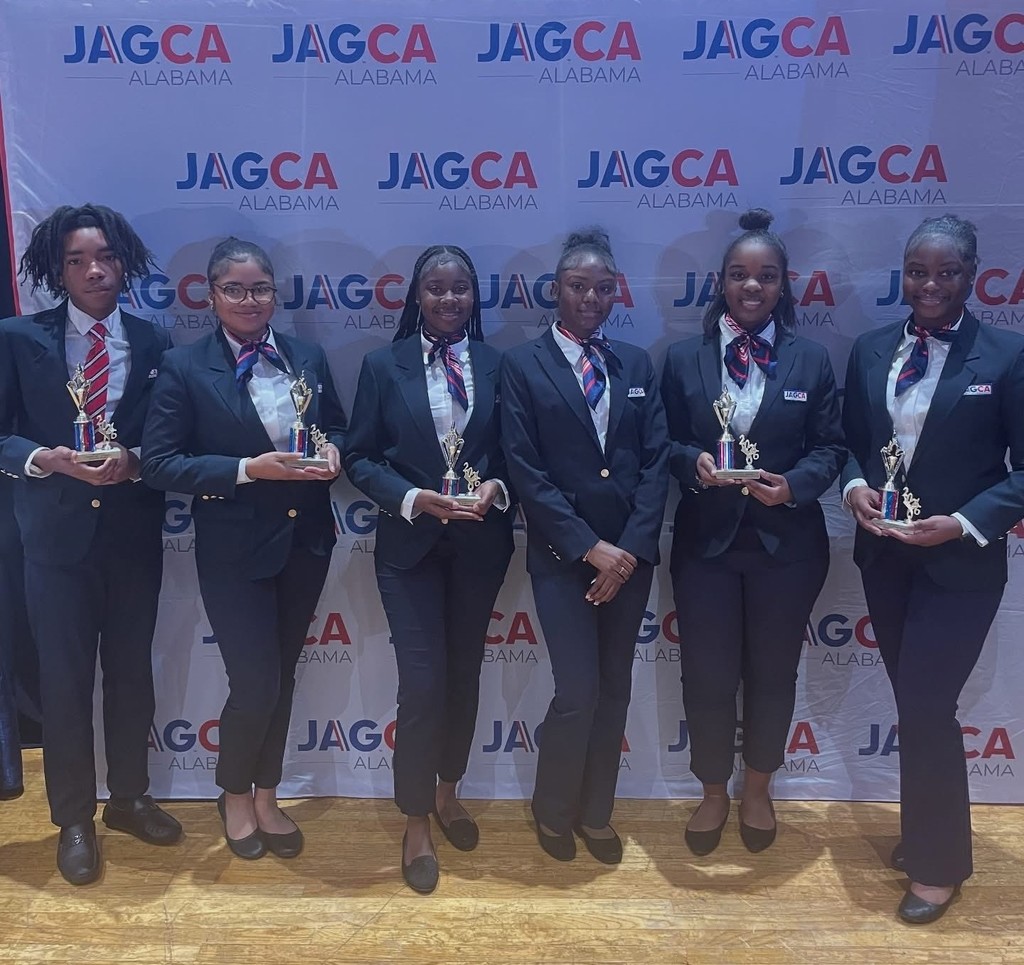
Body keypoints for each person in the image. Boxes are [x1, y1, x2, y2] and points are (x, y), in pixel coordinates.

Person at [843, 214, 1024, 923]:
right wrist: (856, 486)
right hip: (886, 555)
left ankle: (939, 865)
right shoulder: (868, 350)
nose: (929, 284)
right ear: (903, 272)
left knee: (926, 705)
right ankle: (927, 834)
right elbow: (854, 443)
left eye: (946, 272)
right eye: (918, 270)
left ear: (972, 273)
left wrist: (963, 521)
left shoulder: (1007, 356)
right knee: (915, 706)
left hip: (961, 562)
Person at [142, 238, 346, 861]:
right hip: (234, 551)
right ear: (211, 296)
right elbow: (158, 463)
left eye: (260, 288)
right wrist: (246, 469)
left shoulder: (305, 355)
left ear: (274, 294)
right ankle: (232, 795)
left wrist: (336, 451)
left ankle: (267, 793)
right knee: (254, 681)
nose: (249, 300)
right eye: (235, 289)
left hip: (306, 543)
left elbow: (333, 425)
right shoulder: (185, 366)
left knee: (280, 680)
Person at [0, 203, 180, 884]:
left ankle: (130, 796)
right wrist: (47, 458)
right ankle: (74, 817)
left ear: (122, 261)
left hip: (133, 536)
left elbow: (170, 438)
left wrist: (134, 459)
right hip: (54, 540)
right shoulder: (17, 337)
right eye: (76, 260)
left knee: (132, 673)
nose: (94, 269)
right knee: (65, 683)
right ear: (56, 268)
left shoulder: (155, 340)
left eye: (104, 256)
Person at [660, 209, 845, 856]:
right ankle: (714, 790)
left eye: (766, 276)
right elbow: (666, 443)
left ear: (783, 286)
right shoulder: (684, 358)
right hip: (706, 545)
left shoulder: (812, 360)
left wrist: (794, 484)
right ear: (721, 282)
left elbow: (832, 447)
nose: (752, 286)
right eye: (739, 275)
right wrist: (694, 464)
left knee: (772, 672)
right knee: (707, 676)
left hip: (786, 547)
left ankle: (759, 787)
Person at [345, 245, 514, 894]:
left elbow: (515, 452)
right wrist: (414, 498)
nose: (448, 299)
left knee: (463, 677)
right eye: (435, 288)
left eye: (461, 288)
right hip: (409, 549)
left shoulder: (501, 367)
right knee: (422, 684)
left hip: (479, 545)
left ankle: (448, 792)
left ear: (476, 296)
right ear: (415, 295)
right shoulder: (381, 366)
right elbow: (360, 457)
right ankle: (414, 819)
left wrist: (495, 487)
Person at [500, 228, 669, 864]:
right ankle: (553, 810)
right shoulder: (523, 365)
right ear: (556, 290)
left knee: (615, 690)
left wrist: (625, 551)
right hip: (561, 560)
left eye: (603, 287)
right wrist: (587, 548)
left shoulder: (636, 363)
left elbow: (654, 465)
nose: (591, 297)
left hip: (629, 560)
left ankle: (596, 812)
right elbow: (525, 469)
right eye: (578, 286)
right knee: (578, 691)